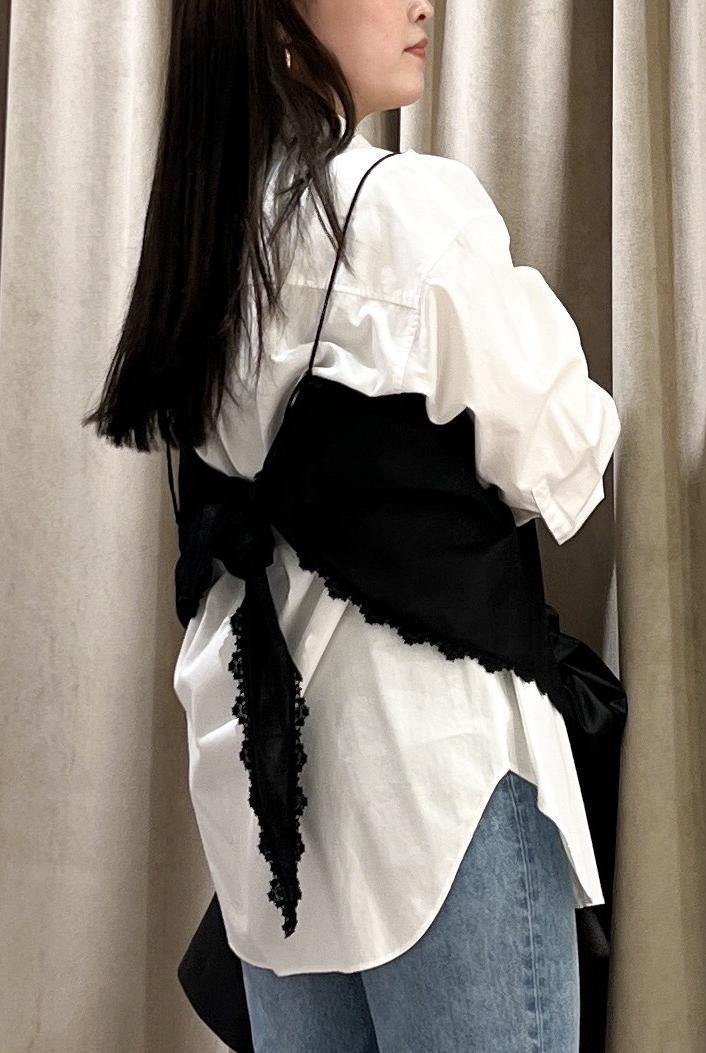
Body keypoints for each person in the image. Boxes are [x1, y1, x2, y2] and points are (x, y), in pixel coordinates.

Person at [83, 1, 622, 1049]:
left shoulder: (207, 244)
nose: (421, 2)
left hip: (266, 805)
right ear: (278, 23)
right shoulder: (406, 212)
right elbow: (566, 451)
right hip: (432, 784)